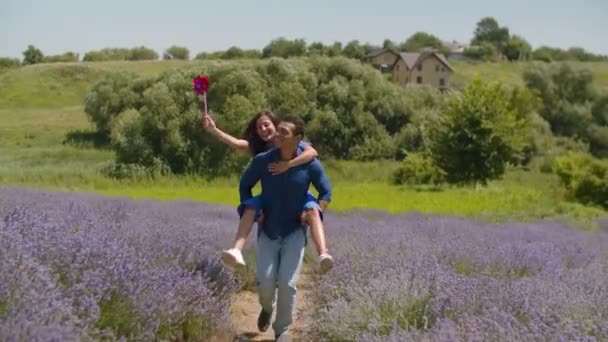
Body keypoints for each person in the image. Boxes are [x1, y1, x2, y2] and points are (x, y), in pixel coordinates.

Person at [201, 111, 334, 273]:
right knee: (250, 206)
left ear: (276, 125)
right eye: (258, 127)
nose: (263, 129)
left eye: (266, 125)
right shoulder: (259, 149)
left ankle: (323, 254)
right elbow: (236, 143)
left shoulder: (292, 140)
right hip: (271, 194)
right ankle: (236, 251)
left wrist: (289, 164)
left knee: (313, 209)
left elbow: (312, 153)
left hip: (296, 193)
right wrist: (214, 130)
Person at [239, 115, 332, 340]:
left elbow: (326, 193)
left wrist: (314, 211)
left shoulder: (310, 163)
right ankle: (267, 308)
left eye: (284, 133)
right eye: (277, 131)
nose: (277, 136)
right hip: (269, 231)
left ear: (298, 138)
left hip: (294, 233)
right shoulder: (263, 160)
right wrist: (253, 209)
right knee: (266, 283)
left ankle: (282, 330)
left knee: (288, 284)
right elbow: (245, 185)